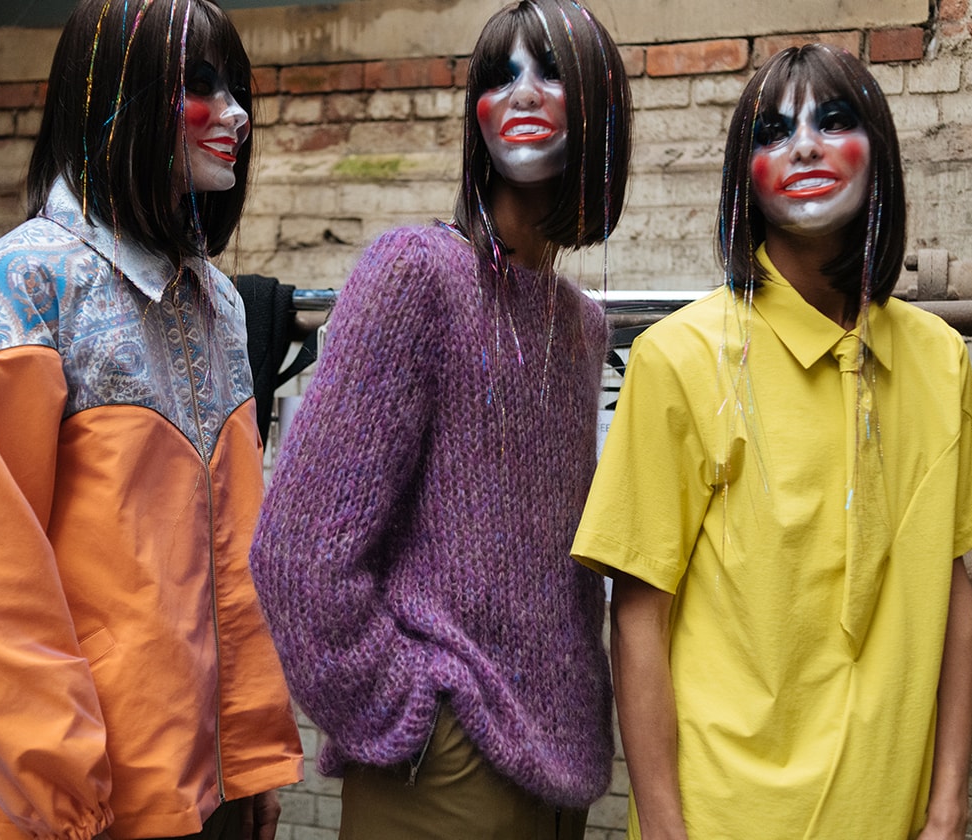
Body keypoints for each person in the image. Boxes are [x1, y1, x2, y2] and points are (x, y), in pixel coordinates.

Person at [0, 1, 303, 838]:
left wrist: (249, 763)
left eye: (237, 90)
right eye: (202, 88)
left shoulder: (213, 296)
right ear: (121, 98)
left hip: (210, 797)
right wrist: (65, 788)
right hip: (80, 810)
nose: (237, 116)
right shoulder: (22, 290)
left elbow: (237, 554)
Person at [573, 43, 972, 840]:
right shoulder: (680, 358)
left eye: (834, 121)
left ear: (880, 151)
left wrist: (949, 807)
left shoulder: (939, 357)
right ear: (746, 175)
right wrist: (665, 829)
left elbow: (953, 588)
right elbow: (639, 617)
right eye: (773, 132)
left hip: (893, 815)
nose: (803, 145)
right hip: (723, 816)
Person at [248, 1, 631, 837]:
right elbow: (298, 554)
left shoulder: (581, 324)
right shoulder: (417, 275)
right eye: (501, 75)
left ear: (603, 105)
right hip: (442, 772)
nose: (524, 93)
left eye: (551, 72)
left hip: (561, 774)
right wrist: (409, 716)